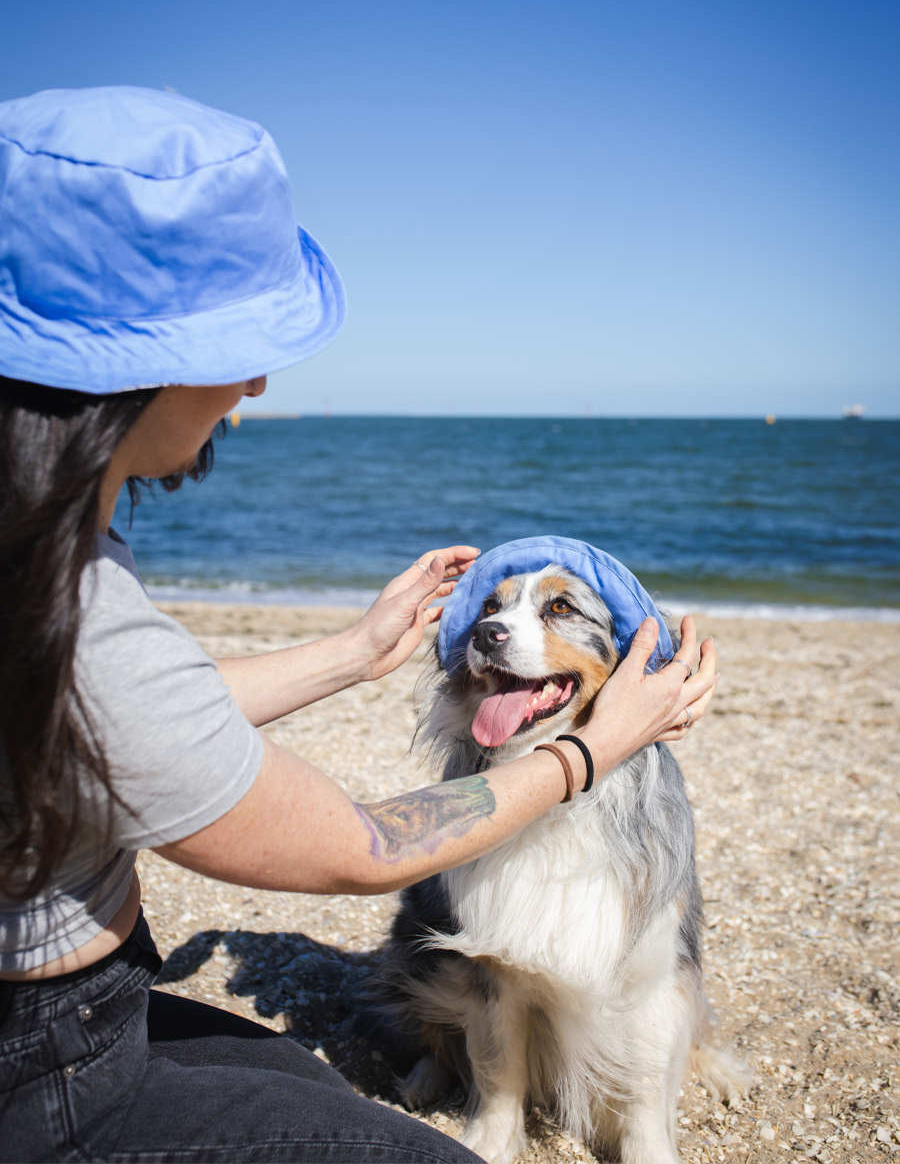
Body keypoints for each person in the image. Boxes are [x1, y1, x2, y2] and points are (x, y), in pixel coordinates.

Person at [0, 87, 718, 1163]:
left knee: (301, 1079)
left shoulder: (46, 552)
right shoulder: (83, 615)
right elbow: (360, 848)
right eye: (235, 342)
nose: (255, 380)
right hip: (43, 1069)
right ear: (123, 371)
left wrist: (353, 652)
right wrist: (591, 750)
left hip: (81, 1009)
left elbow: (114, 721)